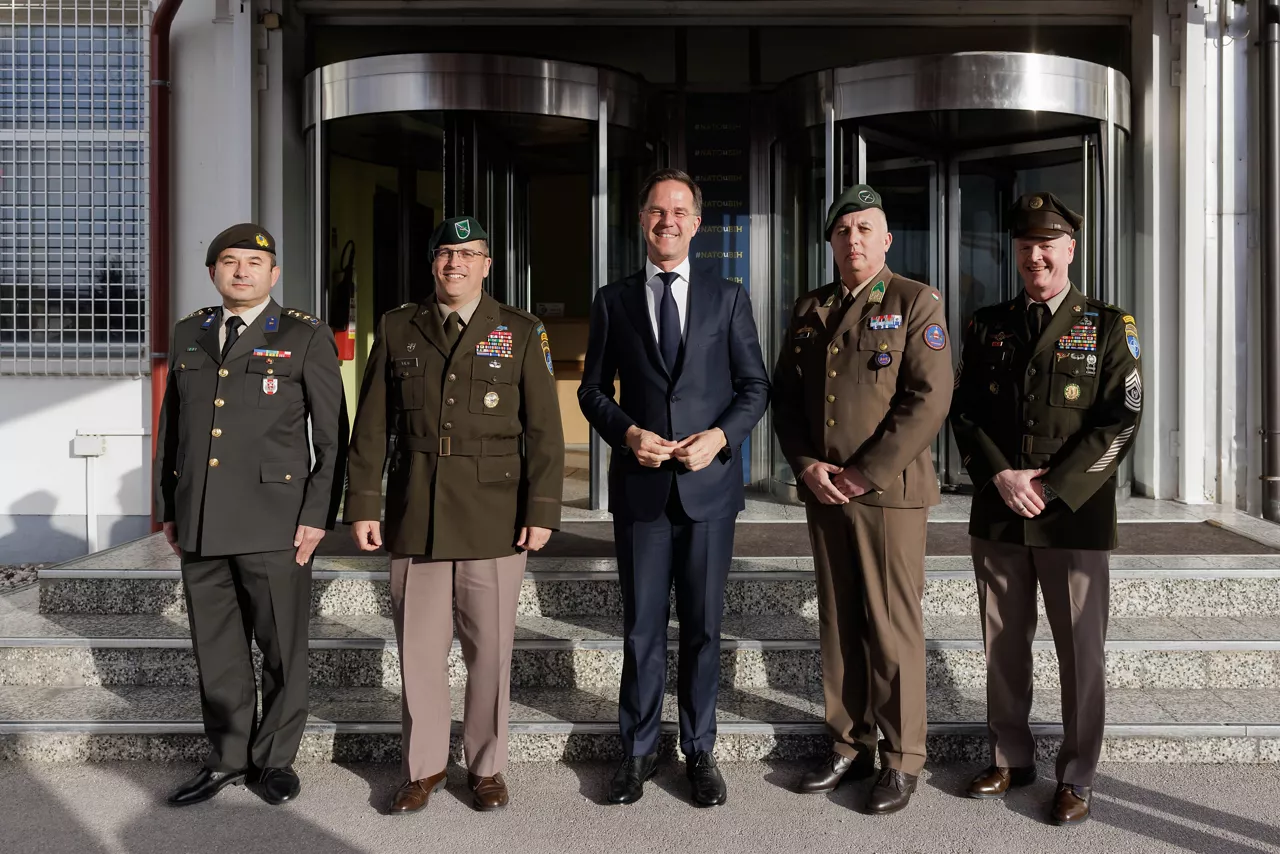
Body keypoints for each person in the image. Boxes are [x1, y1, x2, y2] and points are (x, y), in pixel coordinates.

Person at [344, 215, 563, 814]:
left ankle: (487, 768)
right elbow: (371, 425)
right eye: (445, 253)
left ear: (488, 264)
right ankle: (424, 768)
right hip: (415, 512)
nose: (455, 264)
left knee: (489, 651)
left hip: (494, 515)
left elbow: (545, 431)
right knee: (418, 651)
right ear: (432, 262)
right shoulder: (397, 327)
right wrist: (363, 502)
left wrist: (542, 508)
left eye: (468, 254)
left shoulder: (519, 330)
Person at [949, 192, 1143, 826]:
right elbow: (965, 410)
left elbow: (1123, 415)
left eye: (1048, 243)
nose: (1036, 254)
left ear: (1070, 248)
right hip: (1002, 508)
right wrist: (1000, 475)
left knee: (1079, 651)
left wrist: (1054, 485)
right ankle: (1011, 756)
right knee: (1003, 641)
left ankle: (1078, 774)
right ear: (1016, 250)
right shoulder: (986, 323)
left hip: (1073, 514)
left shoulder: (1110, 324)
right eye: (1026, 244)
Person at [578, 169, 769, 807]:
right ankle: (637, 751)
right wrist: (627, 434)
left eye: (679, 211)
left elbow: (754, 387)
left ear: (696, 224)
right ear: (642, 220)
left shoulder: (729, 297)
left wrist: (721, 438)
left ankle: (700, 750)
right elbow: (592, 390)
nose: (668, 220)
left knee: (704, 629)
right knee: (641, 629)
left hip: (709, 490)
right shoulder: (614, 300)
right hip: (641, 489)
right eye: (656, 210)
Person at [771, 185, 952, 814]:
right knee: (840, 620)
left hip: (887, 495)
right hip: (824, 491)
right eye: (843, 230)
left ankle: (902, 760)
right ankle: (849, 742)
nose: (853, 240)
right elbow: (787, 399)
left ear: (886, 239)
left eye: (865, 228)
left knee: (892, 624)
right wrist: (805, 466)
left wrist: (863, 472)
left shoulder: (913, 301)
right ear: (830, 242)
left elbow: (927, 400)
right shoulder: (811, 308)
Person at [152, 223, 347, 807]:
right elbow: (175, 429)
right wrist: (169, 505)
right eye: (229, 261)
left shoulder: (304, 335)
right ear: (212, 272)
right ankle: (228, 755)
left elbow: (333, 436)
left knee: (282, 646)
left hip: (275, 518)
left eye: (254, 262)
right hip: (202, 518)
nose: (241, 271)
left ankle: (274, 760)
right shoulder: (191, 331)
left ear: (274, 273)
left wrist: (318, 514)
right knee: (216, 647)